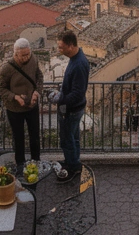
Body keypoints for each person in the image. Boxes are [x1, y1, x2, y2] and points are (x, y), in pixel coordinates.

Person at [48, 31, 88, 182]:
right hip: (75, 107)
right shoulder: (76, 58)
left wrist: (60, 99)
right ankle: (74, 162)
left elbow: (77, 93)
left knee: (67, 139)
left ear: (71, 46)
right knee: (73, 138)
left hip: (71, 109)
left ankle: (72, 168)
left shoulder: (78, 64)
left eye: (61, 47)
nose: (60, 50)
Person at [0, 38, 42, 167]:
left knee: (35, 135)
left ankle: (36, 161)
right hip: (14, 109)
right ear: (15, 54)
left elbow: (39, 76)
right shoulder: (6, 69)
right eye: (23, 55)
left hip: (32, 105)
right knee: (18, 138)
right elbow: (1, 89)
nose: (26, 57)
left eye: (28, 54)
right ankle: (20, 164)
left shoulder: (33, 59)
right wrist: (15, 97)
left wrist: (36, 92)